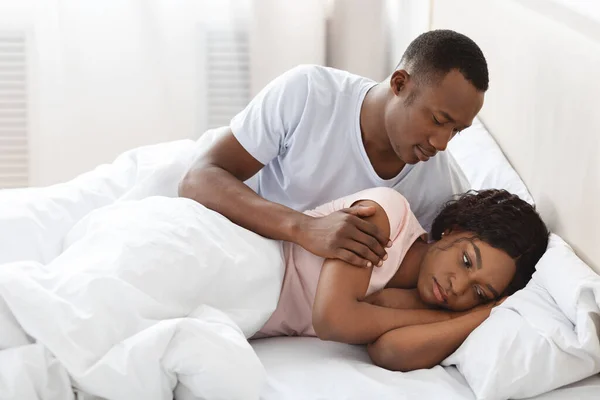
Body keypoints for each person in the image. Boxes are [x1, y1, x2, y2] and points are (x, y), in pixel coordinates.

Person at [179, 30, 489, 270]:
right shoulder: (308, 93)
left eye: (456, 130)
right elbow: (198, 178)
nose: (442, 143)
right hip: (242, 239)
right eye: (438, 120)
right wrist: (304, 228)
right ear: (399, 84)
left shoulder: (440, 185)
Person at [253, 187, 549, 372]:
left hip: (244, 314)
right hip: (242, 262)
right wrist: (457, 314)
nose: (457, 287)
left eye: (480, 292)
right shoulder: (386, 215)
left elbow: (390, 352)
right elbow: (331, 320)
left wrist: (481, 315)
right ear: (453, 229)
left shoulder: (430, 306)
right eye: (466, 261)